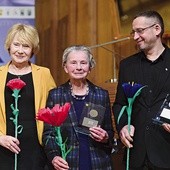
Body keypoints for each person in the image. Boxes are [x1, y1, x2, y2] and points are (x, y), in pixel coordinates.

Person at [113, 10, 170, 170]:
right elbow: (119, 104)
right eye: (134, 32)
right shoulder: (127, 66)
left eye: (140, 31)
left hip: (166, 151)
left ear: (157, 29)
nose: (135, 37)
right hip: (136, 153)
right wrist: (123, 126)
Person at [43, 45, 114, 170]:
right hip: (67, 163)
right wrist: (53, 156)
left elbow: (109, 131)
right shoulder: (55, 95)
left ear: (90, 67)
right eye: (73, 63)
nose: (79, 67)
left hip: (97, 163)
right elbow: (49, 134)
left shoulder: (101, 95)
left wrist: (105, 137)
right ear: (65, 67)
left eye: (83, 63)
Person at [0, 23, 56, 169]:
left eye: (26, 46)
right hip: (3, 146)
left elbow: (54, 109)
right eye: (16, 45)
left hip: (36, 148)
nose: (20, 50)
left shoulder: (44, 74)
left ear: (32, 50)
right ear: (9, 46)